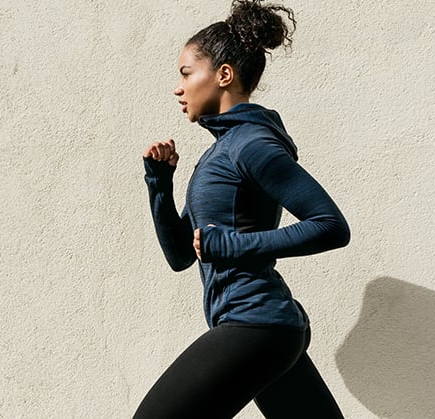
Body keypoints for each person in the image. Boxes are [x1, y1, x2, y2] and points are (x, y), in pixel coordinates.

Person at [134, 1, 350, 418]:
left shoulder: (251, 144)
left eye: (185, 73)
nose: (178, 88)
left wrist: (232, 245)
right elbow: (183, 255)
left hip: (256, 322)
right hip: (263, 328)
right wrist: (159, 184)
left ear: (224, 75)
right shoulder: (219, 154)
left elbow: (330, 225)